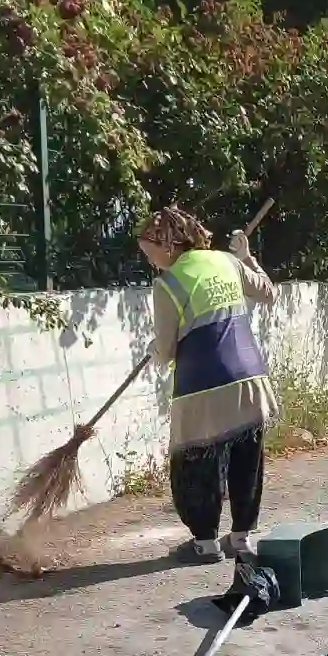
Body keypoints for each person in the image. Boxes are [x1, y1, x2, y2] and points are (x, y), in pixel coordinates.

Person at [137, 205, 279, 564]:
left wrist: (156, 351)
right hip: (250, 378)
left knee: (194, 463)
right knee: (247, 460)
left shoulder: (167, 284)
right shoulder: (226, 262)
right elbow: (268, 292)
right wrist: (247, 258)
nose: (149, 259)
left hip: (202, 387)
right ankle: (242, 538)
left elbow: (168, 349)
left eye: (149, 251)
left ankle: (205, 544)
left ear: (167, 245)